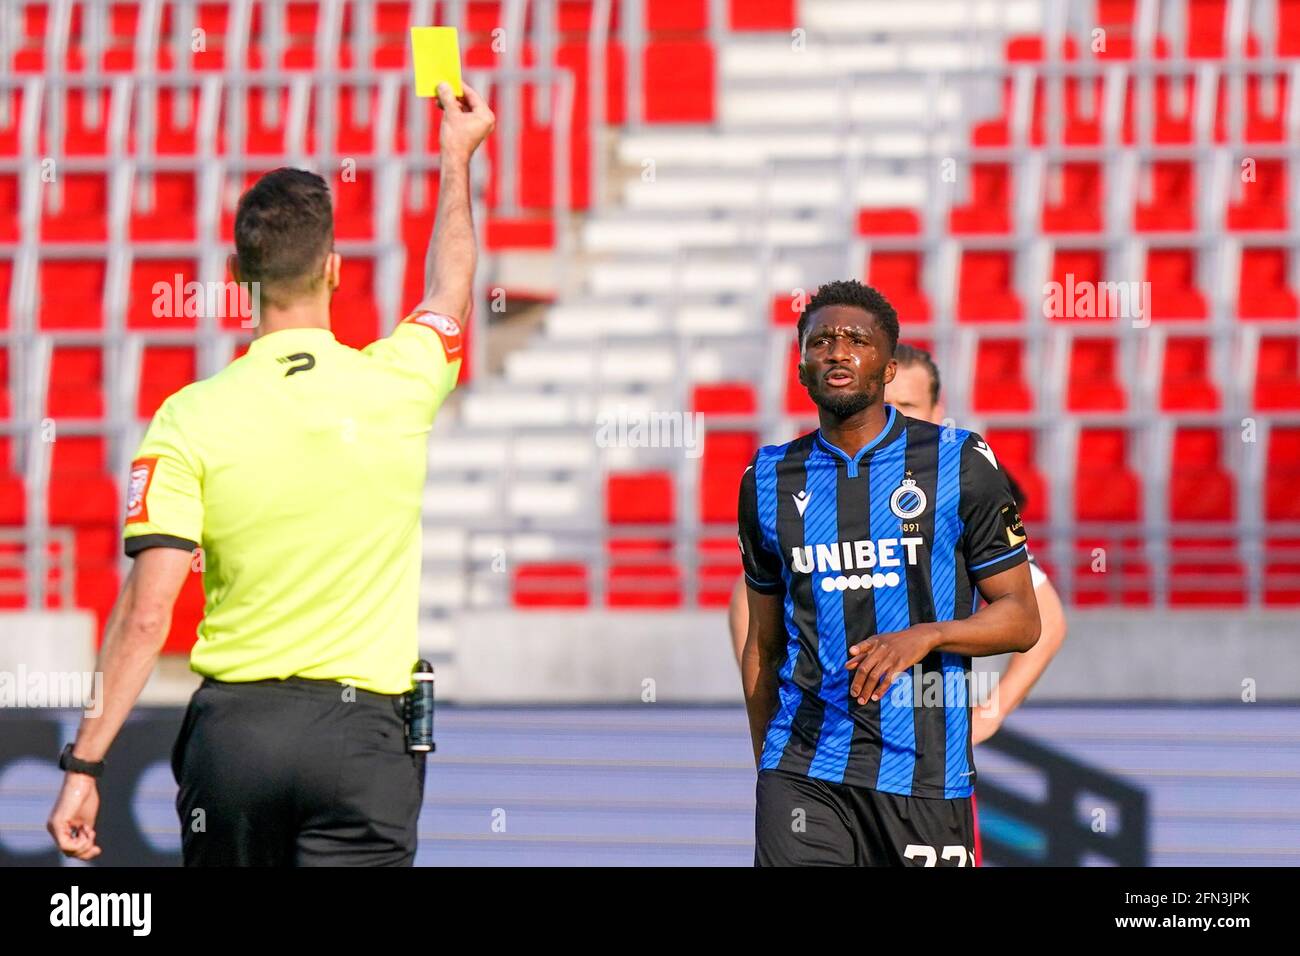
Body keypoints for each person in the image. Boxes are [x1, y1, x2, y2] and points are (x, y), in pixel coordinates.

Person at [46, 83, 495, 866]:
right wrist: (456, 161)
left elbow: (148, 615)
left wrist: (86, 762)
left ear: (236, 272)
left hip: (235, 741)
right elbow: (451, 289)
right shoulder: (399, 380)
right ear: (335, 268)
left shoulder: (189, 416)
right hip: (364, 744)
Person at [738, 280, 1040, 866]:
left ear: (888, 366)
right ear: (801, 366)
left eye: (857, 339)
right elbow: (764, 642)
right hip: (804, 767)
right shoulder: (768, 478)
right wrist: (767, 767)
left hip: (924, 770)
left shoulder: (959, 461)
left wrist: (928, 634)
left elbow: (1023, 618)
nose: (837, 350)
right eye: (821, 340)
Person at [729, 342, 1067, 746]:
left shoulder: (957, 487)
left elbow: (1044, 619)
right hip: (822, 744)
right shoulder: (818, 487)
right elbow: (748, 602)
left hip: (926, 748)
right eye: (885, 404)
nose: (894, 416)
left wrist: (988, 715)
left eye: (908, 404)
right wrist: (773, 702)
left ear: (937, 414)